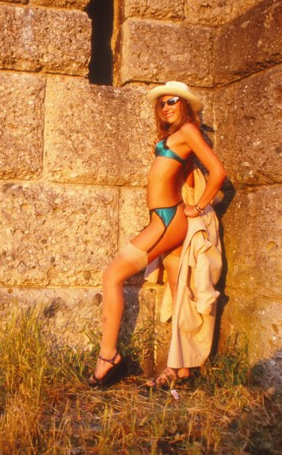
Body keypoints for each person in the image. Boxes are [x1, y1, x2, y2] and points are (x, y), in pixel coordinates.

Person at [88, 81, 227, 388]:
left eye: (172, 101)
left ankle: (108, 356)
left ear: (184, 104)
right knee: (179, 292)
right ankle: (178, 368)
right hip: (162, 218)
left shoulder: (188, 131)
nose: (166, 107)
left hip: (167, 220)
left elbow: (218, 172)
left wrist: (198, 207)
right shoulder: (173, 136)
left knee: (112, 275)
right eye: (161, 103)